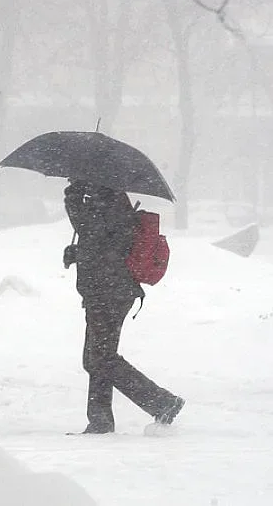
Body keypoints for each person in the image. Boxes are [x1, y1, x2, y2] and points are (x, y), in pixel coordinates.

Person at [63, 178, 184, 433]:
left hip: (109, 293)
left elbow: (97, 239)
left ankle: (162, 402)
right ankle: (101, 420)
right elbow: (98, 244)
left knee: (101, 358)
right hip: (107, 292)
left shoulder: (107, 203)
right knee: (95, 358)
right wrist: (76, 253)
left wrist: (72, 198)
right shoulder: (108, 202)